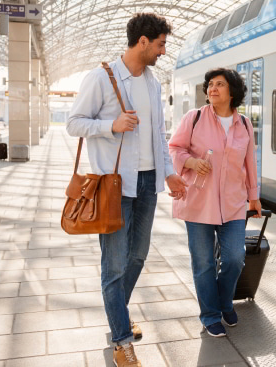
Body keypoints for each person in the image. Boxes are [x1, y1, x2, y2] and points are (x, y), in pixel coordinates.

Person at [66, 13, 187, 367]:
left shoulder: (152, 83)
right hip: (115, 185)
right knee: (114, 265)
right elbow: (75, 123)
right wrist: (111, 125)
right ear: (143, 41)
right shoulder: (101, 78)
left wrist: (168, 173)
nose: (163, 51)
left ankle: (116, 314)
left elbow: (159, 136)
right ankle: (121, 338)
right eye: (161, 44)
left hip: (148, 183)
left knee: (137, 257)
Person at [168, 68, 261, 338]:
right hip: (199, 203)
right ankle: (210, 315)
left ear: (232, 91)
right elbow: (174, 148)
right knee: (204, 263)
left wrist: (253, 197)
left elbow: (249, 162)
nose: (212, 89)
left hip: (233, 204)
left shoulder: (243, 124)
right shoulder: (194, 118)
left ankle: (223, 303)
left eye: (219, 84)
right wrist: (191, 161)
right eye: (210, 84)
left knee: (234, 258)